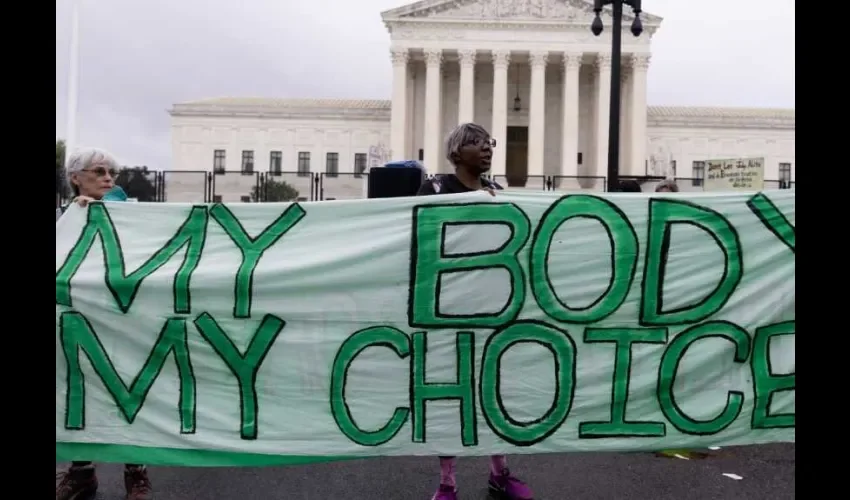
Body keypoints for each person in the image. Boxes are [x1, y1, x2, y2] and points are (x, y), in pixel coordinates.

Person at [416, 123, 534, 500]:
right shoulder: (434, 189)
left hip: (490, 307)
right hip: (446, 308)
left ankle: (500, 473)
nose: (487, 150)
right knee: (448, 396)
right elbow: (420, 237)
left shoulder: (497, 192)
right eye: (478, 144)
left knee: (493, 394)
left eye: (489, 144)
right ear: (456, 152)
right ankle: (447, 482)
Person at [56, 147, 153, 500]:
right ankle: (81, 474)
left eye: (112, 171)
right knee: (76, 393)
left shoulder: (127, 213)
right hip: (76, 324)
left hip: (122, 322)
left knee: (129, 394)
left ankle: (136, 474)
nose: (108, 178)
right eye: (99, 171)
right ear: (75, 177)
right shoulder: (64, 219)